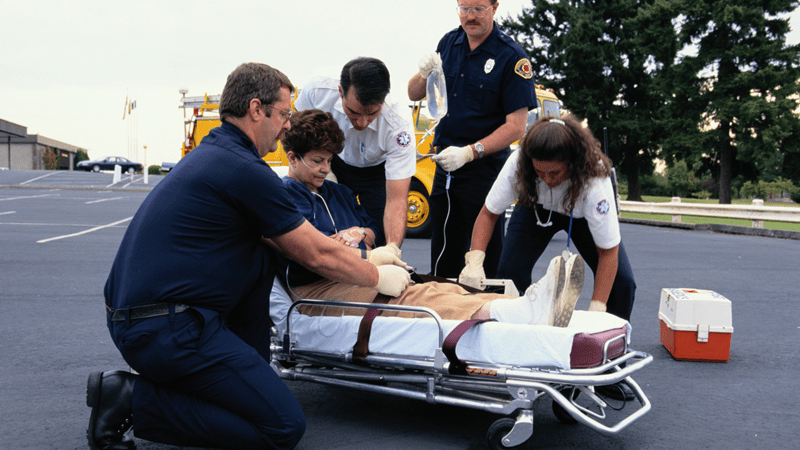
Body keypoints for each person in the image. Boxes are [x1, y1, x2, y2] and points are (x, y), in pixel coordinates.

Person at [86, 63, 412, 450]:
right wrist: (376, 276)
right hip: (167, 329)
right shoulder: (244, 170)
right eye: (284, 115)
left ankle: (191, 385)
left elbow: (288, 248)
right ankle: (131, 399)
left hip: (146, 318)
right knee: (283, 427)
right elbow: (317, 253)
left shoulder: (214, 155)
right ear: (257, 110)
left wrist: (367, 253)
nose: (288, 126)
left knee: (258, 259)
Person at [277, 108, 584, 330]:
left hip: (353, 271)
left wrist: (360, 235)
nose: (323, 168)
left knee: (441, 287)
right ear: (292, 158)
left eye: (329, 161)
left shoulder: (337, 193)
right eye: (317, 161)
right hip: (317, 288)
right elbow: (315, 252)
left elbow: (369, 228)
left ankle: (518, 307)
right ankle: (516, 314)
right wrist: (365, 254)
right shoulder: (285, 197)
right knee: (415, 297)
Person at [458, 116, 637, 400]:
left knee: (623, 284)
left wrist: (598, 307)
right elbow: (488, 214)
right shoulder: (519, 163)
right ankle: (515, 358)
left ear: (573, 163)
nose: (547, 178)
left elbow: (608, 251)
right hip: (533, 209)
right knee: (509, 275)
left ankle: (605, 371)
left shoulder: (594, 176)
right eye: (540, 171)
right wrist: (475, 259)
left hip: (580, 217)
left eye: (555, 172)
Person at [408, 0, 536, 279]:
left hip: (484, 171)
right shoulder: (449, 43)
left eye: (478, 9)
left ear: (494, 7)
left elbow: (516, 127)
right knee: (443, 255)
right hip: (445, 168)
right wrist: (423, 73)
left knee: (485, 262)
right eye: (464, 8)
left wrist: (470, 152)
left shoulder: (512, 57)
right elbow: (413, 93)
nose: (470, 16)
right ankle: (443, 313)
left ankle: (486, 314)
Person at [294, 57, 416, 256]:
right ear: (341, 92)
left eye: (372, 113)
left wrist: (392, 249)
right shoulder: (318, 89)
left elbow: (397, 200)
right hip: (334, 161)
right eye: (353, 112)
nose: (361, 123)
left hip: (377, 171)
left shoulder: (398, 125)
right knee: (326, 227)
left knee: (378, 239)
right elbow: (296, 130)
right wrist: (321, 168)